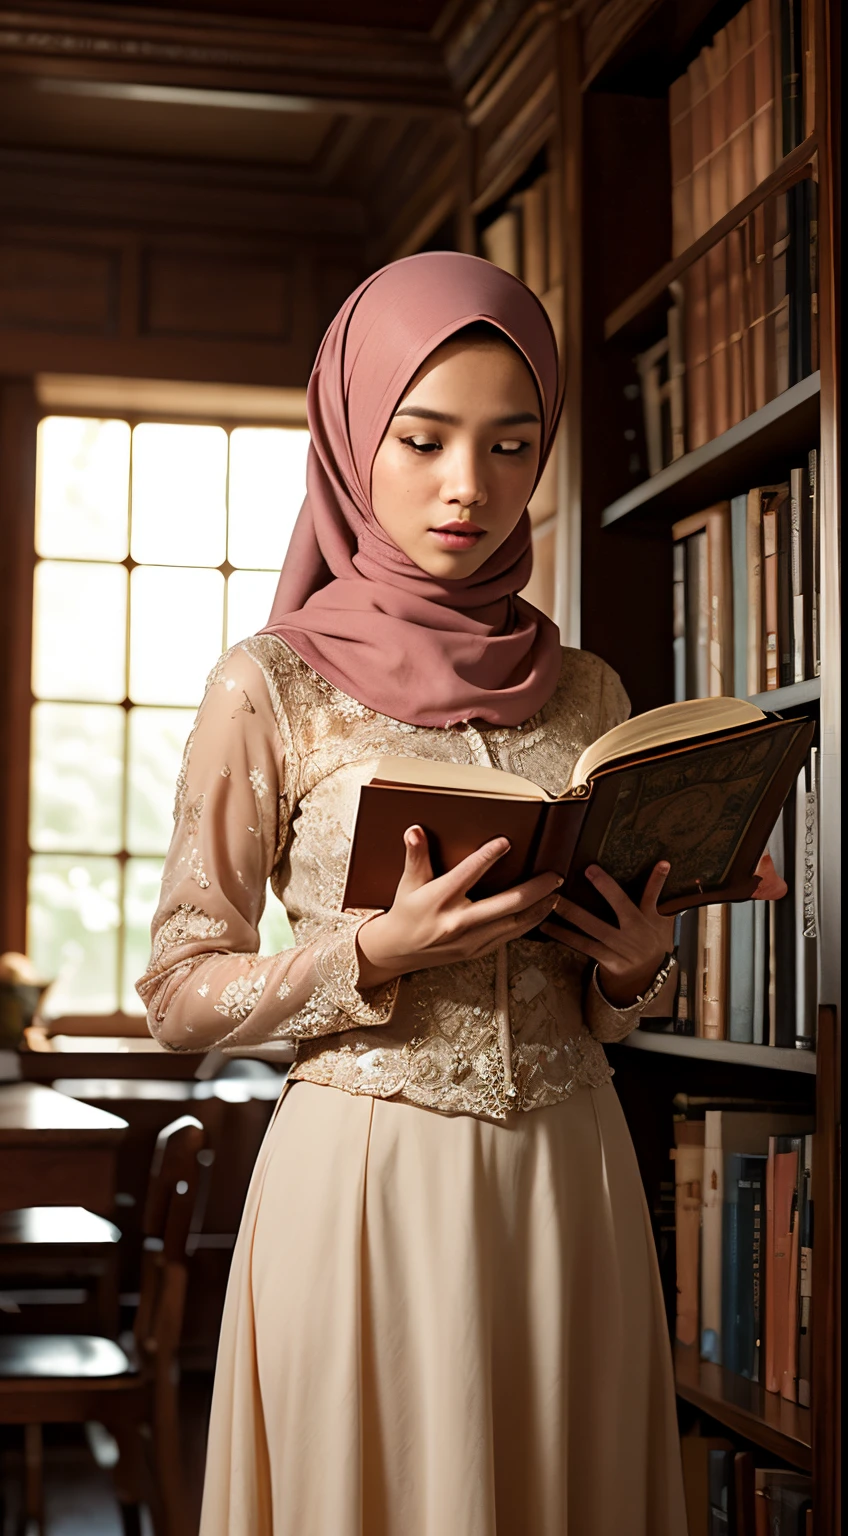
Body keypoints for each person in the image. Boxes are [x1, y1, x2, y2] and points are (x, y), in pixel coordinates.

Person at [136, 252, 783, 1536]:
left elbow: (600, 981)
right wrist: (369, 952)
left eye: (508, 443)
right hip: (363, 1185)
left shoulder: (587, 691)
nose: (463, 487)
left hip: (569, 1169)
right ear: (348, 437)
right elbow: (175, 990)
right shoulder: (268, 681)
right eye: (421, 439)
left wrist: (626, 963)